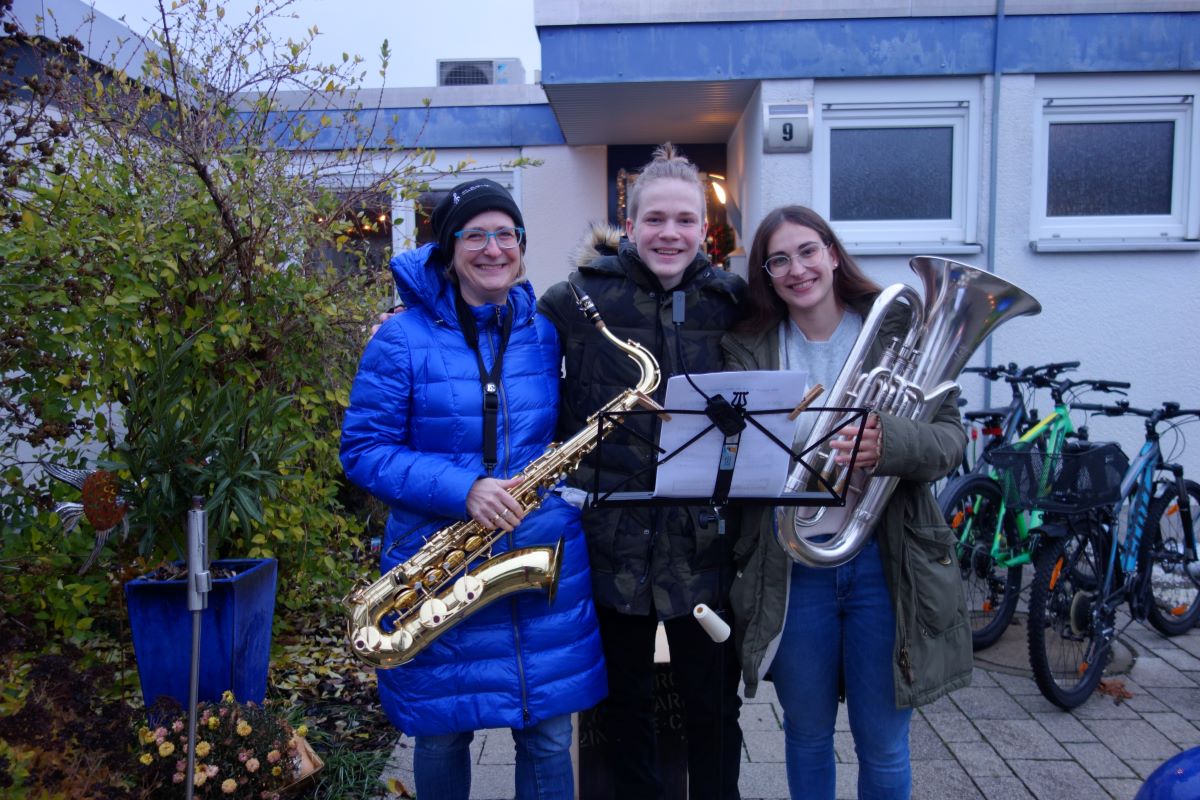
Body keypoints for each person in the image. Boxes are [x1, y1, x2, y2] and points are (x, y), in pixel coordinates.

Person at [339, 178, 607, 800]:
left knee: (546, 735)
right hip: (438, 564)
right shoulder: (400, 338)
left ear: (522, 245)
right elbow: (363, 451)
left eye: (506, 234)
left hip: (539, 557)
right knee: (441, 733)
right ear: (448, 247)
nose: (493, 249)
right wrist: (465, 489)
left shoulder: (543, 332)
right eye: (475, 235)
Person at [722, 205, 972, 800]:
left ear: (833, 253)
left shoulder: (899, 330)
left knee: (882, 743)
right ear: (766, 274)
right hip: (794, 567)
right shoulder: (747, 346)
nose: (796, 268)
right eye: (777, 259)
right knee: (805, 736)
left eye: (808, 251)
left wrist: (890, 442)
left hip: (884, 565)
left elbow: (949, 443)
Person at [538, 144, 746, 800]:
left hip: (703, 547)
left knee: (714, 711)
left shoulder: (729, 300)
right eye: (654, 219)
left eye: (685, 220)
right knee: (623, 712)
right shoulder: (575, 299)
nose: (669, 233)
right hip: (611, 546)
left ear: (703, 230)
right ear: (628, 224)